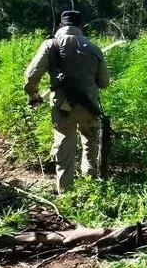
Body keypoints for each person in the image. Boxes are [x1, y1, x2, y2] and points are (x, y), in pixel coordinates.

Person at [24, 10, 109, 193]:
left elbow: (32, 76)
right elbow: (104, 83)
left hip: (63, 109)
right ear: (81, 27)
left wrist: (34, 95)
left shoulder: (50, 45)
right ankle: (90, 184)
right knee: (90, 140)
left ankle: (66, 192)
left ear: (61, 26)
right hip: (90, 107)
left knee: (64, 145)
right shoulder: (94, 48)